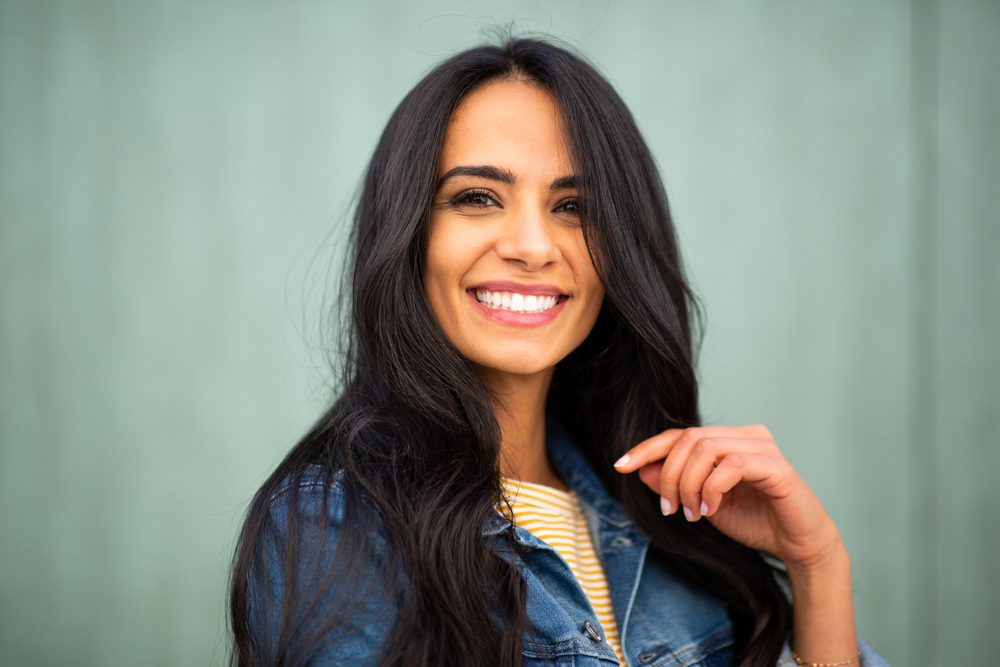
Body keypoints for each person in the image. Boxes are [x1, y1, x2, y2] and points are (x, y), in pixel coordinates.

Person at [228, 38, 890, 667]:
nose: (534, 246)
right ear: (409, 233)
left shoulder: (668, 520)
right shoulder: (336, 522)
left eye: (573, 205)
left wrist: (817, 566)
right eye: (478, 197)